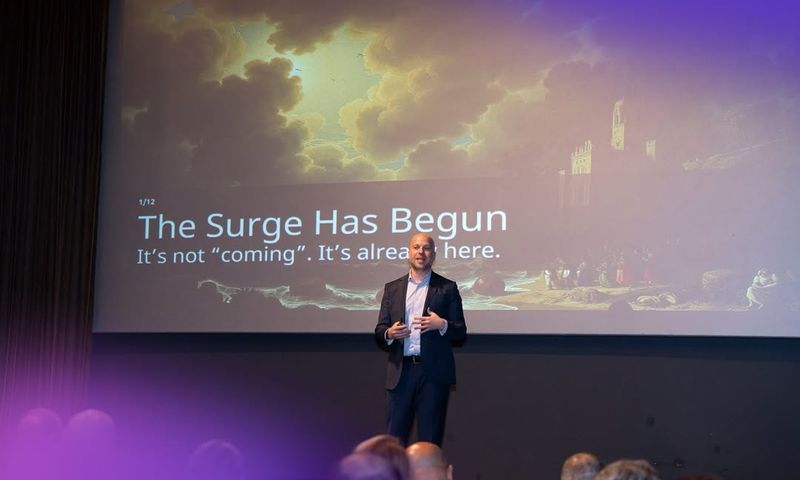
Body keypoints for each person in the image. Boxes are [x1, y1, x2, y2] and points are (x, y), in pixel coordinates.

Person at [375, 233, 467, 447]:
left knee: (430, 441)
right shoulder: (392, 289)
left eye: (426, 248)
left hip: (433, 375)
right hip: (401, 374)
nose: (421, 252)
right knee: (394, 443)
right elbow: (380, 330)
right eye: (416, 247)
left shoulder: (447, 288)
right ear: (409, 252)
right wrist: (390, 334)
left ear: (433, 255)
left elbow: (461, 332)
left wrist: (442, 324)